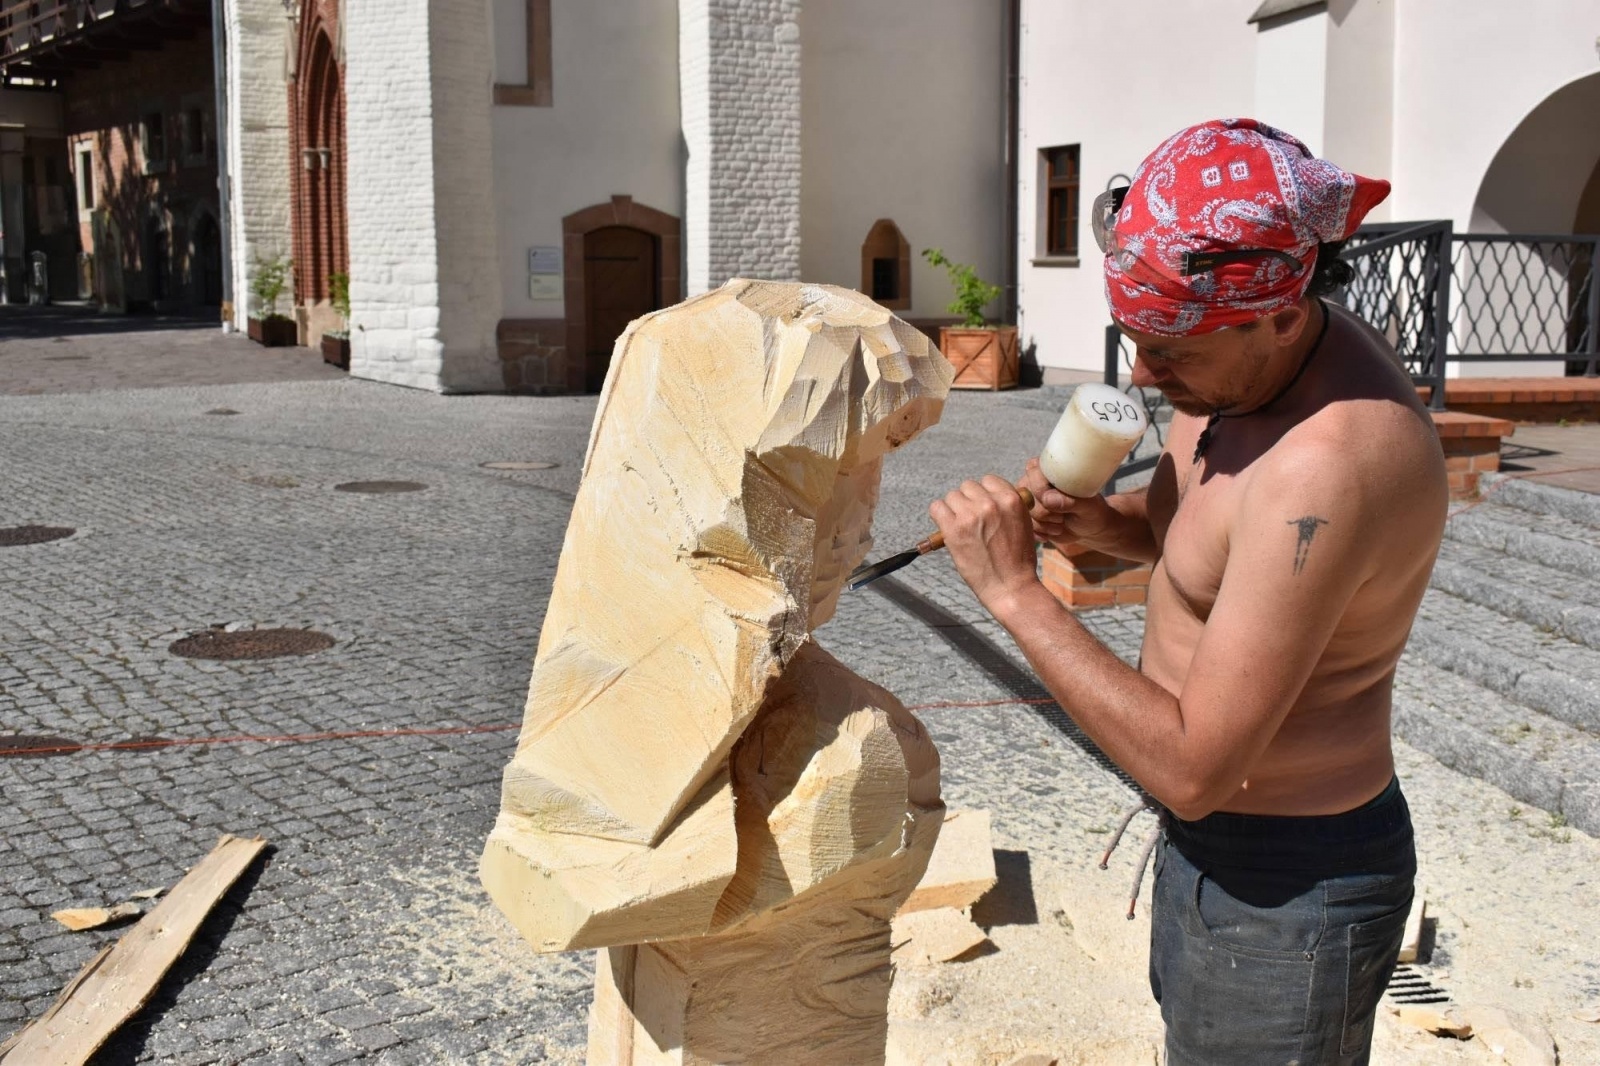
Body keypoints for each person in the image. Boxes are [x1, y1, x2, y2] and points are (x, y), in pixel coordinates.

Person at [929, 118, 1449, 1065]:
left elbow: (1195, 769)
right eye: (1133, 340)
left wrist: (1016, 594)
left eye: (1172, 352)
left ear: (1282, 314)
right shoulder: (1250, 376)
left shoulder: (1326, 465)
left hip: (1288, 881)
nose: (1144, 375)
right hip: (1218, 857)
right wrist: (1104, 525)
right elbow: (1200, 534)